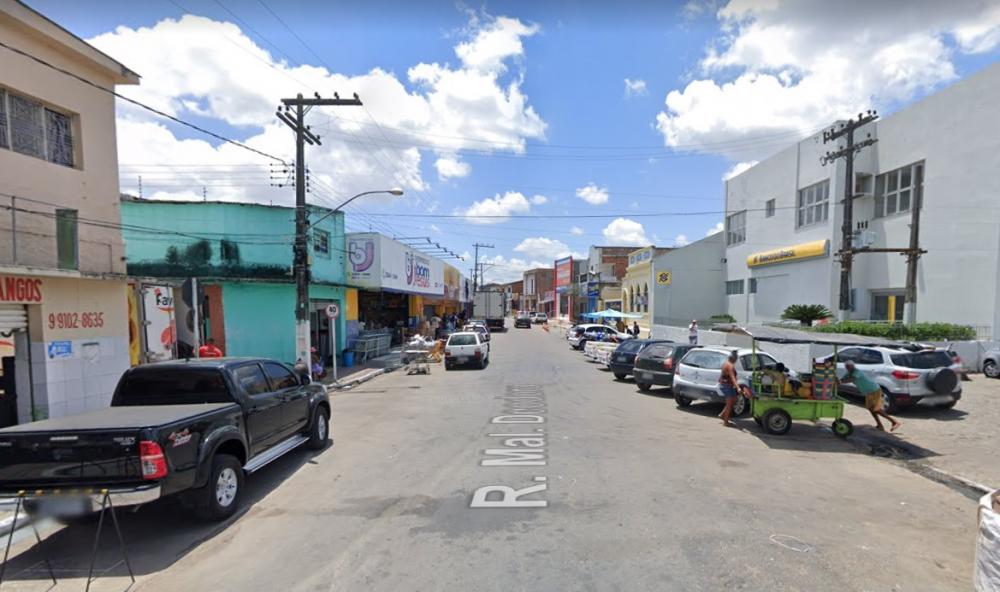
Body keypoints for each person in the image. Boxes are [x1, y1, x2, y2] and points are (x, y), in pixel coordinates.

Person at [839, 360, 901, 432]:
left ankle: (894, 422)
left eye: (850, 367)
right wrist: (838, 381)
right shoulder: (849, 373)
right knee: (871, 409)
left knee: (876, 409)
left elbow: (852, 379)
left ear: (853, 366)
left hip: (874, 390)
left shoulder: (856, 372)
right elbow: (843, 379)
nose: (849, 368)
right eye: (847, 367)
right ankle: (880, 425)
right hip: (869, 392)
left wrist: (840, 382)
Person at [718, 350, 741, 427]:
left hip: (727, 385)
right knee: (729, 403)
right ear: (734, 359)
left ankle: (722, 414)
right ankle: (726, 422)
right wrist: (738, 388)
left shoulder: (726, 363)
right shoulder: (730, 366)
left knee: (734, 399)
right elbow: (732, 377)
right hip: (726, 385)